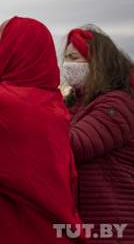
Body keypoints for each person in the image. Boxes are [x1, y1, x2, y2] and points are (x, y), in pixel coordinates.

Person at [0, 17, 82, 243]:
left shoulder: (1, 104)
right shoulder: (54, 104)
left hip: (10, 227)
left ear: (13, 51)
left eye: (0, 46)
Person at [63, 27, 134, 243]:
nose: (67, 65)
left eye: (74, 58)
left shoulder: (116, 104)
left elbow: (75, 144)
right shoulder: (77, 105)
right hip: (91, 223)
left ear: (97, 63)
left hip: (114, 225)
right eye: (66, 57)